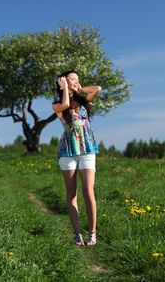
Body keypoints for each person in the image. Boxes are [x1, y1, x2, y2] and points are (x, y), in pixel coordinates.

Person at [52, 70, 101, 246]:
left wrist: (79, 88)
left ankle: (92, 233)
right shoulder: (57, 104)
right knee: (71, 193)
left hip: (87, 148)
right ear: (63, 81)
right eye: (73, 79)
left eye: (77, 79)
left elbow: (97, 88)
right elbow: (65, 104)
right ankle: (77, 234)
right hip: (68, 151)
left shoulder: (83, 101)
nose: (76, 81)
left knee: (88, 192)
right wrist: (65, 87)